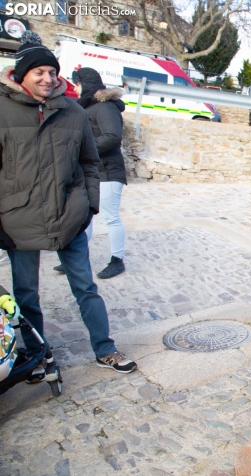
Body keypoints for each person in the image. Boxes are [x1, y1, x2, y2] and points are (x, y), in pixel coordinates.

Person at [0, 31, 137, 382]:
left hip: (68, 215)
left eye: (52, 71)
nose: (47, 78)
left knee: (86, 288)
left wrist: (88, 204)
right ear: (21, 74)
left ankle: (104, 349)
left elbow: (90, 161)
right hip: (19, 219)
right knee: (26, 294)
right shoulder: (2, 109)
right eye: (39, 72)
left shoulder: (74, 111)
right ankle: (36, 355)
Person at [54, 67, 128, 279]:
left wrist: (84, 149)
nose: (75, 88)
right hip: (92, 171)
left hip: (108, 171)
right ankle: (77, 257)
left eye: (76, 84)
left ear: (85, 84)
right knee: (84, 216)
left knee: (111, 217)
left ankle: (117, 260)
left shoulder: (105, 107)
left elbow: (112, 136)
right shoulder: (89, 106)